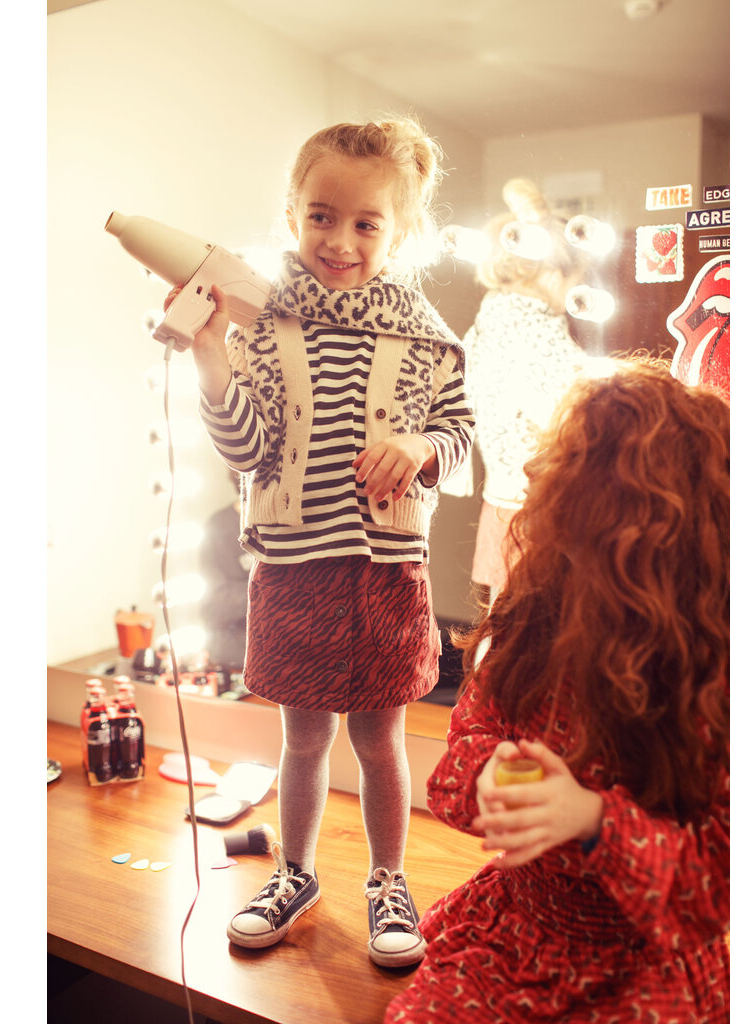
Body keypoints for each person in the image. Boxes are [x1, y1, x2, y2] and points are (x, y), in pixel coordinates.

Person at [167, 118, 474, 967]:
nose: (340, 240)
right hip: (293, 568)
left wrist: (418, 446)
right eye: (321, 216)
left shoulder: (427, 335)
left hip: (386, 572)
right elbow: (244, 448)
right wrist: (209, 355)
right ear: (293, 213)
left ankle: (388, 880)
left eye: (366, 223)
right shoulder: (264, 327)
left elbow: (457, 433)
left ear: (400, 232)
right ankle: (296, 872)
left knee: (379, 742)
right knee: (303, 740)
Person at [385, 358, 730, 1022]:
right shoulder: (534, 611)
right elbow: (471, 738)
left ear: (638, 514)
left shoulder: (712, 678)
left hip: (640, 964)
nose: (530, 471)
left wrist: (596, 821)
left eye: (567, 464)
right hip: (514, 936)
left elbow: (717, 886)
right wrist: (489, 775)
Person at [462, 178, 590, 605]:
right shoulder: (539, 333)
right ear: (553, 276)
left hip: (500, 503)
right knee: (541, 634)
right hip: (542, 515)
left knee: (503, 631)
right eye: (576, 280)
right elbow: (579, 419)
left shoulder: (484, 327)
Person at [198, 468, 252, 672]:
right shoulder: (218, 527)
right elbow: (215, 606)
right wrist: (271, 591)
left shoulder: (286, 526)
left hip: (286, 656)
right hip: (234, 658)